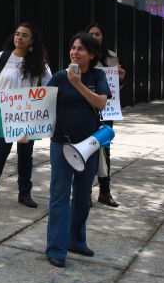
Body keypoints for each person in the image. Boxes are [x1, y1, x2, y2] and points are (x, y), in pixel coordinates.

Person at [45, 33, 111, 268]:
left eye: (81, 49)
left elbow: (101, 103)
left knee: (83, 197)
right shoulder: (60, 77)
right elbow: (41, 105)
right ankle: (56, 248)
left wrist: (78, 84)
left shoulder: (97, 75)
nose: (75, 52)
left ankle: (77, 241)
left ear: (92, 55)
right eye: (72, 48)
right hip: (62, 144)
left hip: (89, 147)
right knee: (59, 196)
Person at [0, 23, 52, 208]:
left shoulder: (39, 63)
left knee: (26, 156)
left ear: (32, 40)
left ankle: (25, 193)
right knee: (0, 153)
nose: (19, 38)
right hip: (4, 112)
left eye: (24, 35)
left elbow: (49, 86)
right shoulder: (3, 58)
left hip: (28, 116)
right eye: (17, 34)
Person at [85, 22, 125, 207]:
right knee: (85, 149)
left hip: (106, 110)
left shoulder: (111, 57)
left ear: (103, 37)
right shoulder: (81, 55)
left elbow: (115, 89)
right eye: (91, 34)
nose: (94, 37)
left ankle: (105, 191)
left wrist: (121, 78)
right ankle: (84, 191)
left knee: (105, 149)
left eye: (97, 34)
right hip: (85, 111)